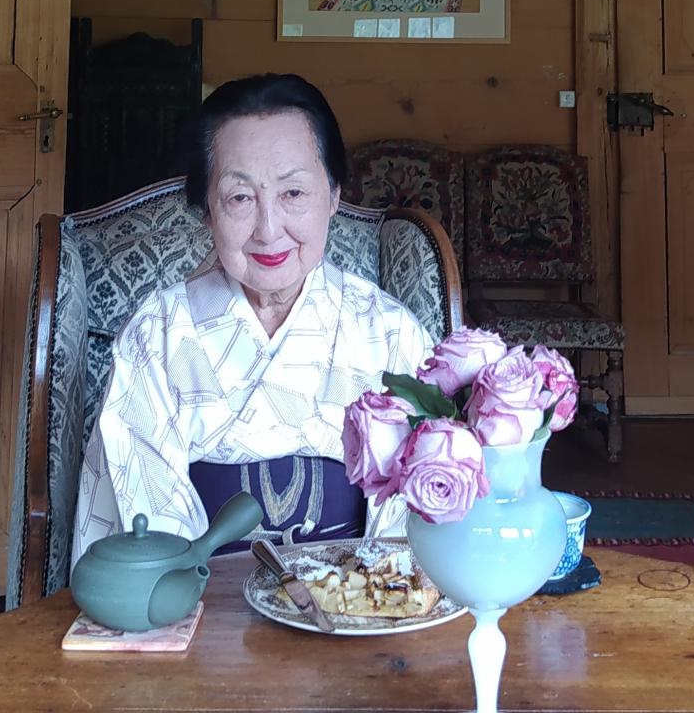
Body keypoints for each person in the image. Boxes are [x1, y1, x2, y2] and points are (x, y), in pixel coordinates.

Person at [72, 74, 433, 568]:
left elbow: (417, 530)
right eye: (240, 198)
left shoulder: (389, 334)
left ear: (332, 195)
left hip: (355, 611)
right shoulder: (158, 335)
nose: (268, 229)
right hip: (199, 613)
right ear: (207, 210)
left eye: (293, 194)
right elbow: (143, 525)